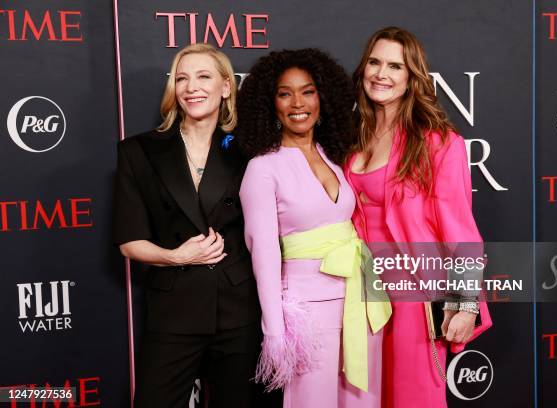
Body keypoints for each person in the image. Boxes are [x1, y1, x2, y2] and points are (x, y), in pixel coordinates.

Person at [346, 27, 492, 408]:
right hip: (360, 295)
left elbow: (461, 230)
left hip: (415, 297)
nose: (382, 73)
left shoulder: (438, 143)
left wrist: (465, 303)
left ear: (412, 78)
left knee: (414, 397)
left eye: (396, 66)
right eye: (375, 62)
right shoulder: (352, 138)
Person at [236, 48, 391, 408]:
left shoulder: (333, 158)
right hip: (306, 312)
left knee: (362, 401)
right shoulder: (262, 169)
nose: (297, 103)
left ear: (323, 97)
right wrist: (275, 330)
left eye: (307, 91)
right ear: (270, 103)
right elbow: (264, 254)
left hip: (360, 300)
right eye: (284, 93)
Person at [112, 43, 264, 408]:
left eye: (203, 76)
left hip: (238, 309)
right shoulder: (139, 151)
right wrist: (177, 255)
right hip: (173, 309)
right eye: (182, 78)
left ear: (226, 86)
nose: (191, 87)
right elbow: (129, 242)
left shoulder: (250, 150)